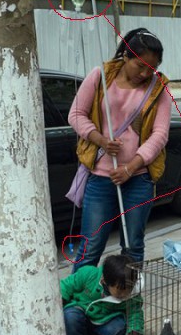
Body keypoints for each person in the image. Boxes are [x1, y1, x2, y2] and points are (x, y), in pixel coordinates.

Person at [68, 28, 171, 272]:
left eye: (152, 68)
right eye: (140, 65)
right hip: (100, 177)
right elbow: (76, 115)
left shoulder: (159, 88)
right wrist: (101, 140)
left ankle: (128, 300)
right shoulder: (99, 77)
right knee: (90, 247)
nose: (145, 73)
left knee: (133, 245)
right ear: (126, 56)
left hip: (138, 179)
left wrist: (131, 167)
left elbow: (160, 134)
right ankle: (77, 303)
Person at [60, 255, 144, 335]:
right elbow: (65, 287)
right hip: (82, 316)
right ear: (104, 280)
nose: (125, 294)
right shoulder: (88, 274)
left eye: (129, 288)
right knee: (70, 315)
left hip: (107, 322)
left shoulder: (133, 294)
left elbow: (135, 314)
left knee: (120, 332)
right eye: (119, 291)